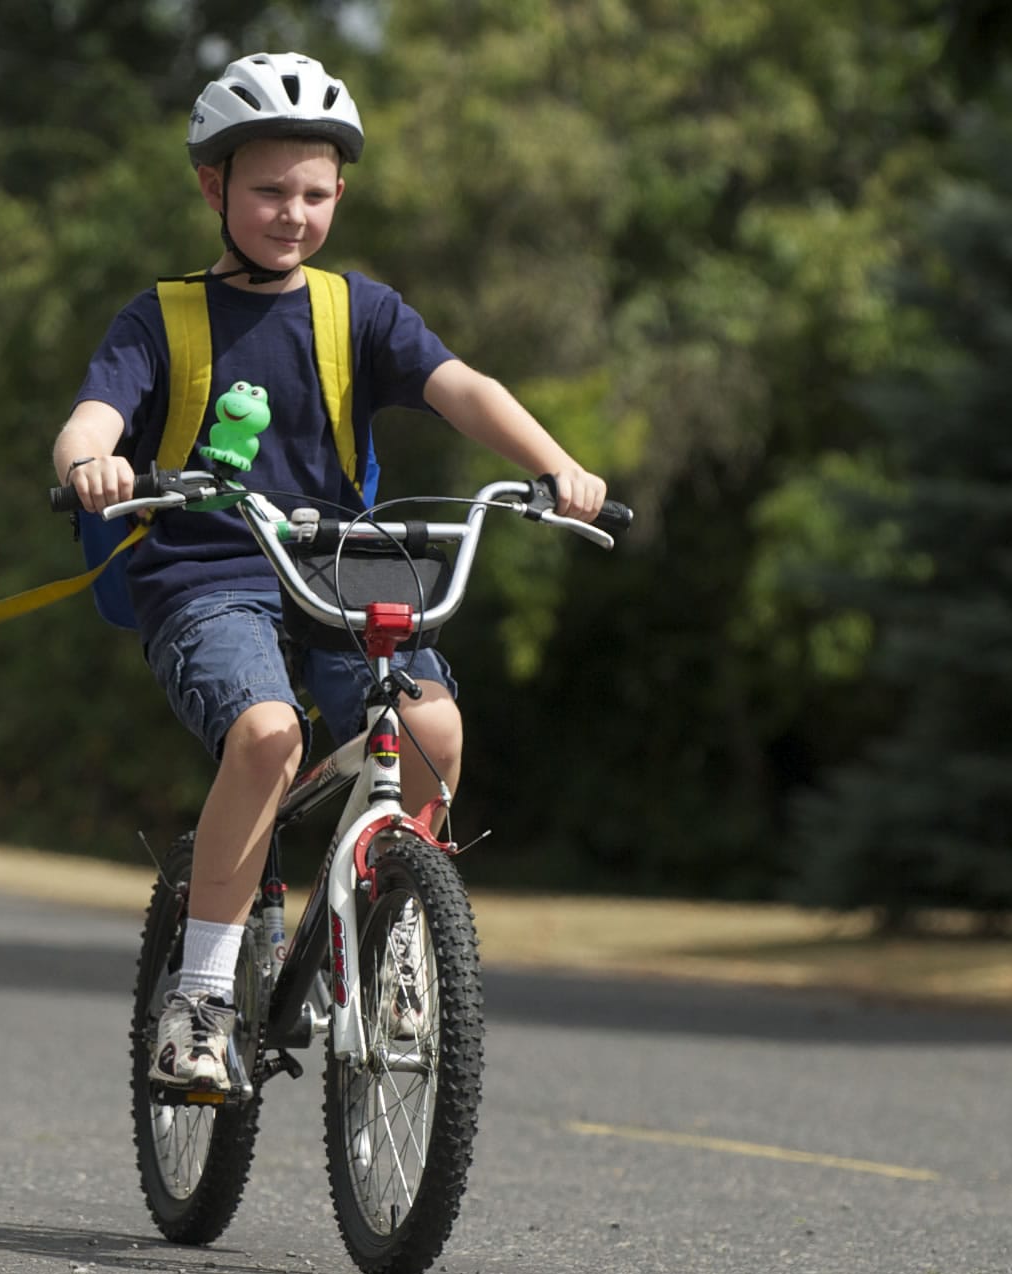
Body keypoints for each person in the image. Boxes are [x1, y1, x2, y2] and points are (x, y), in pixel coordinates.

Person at [53, 52, 611, 1090]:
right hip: (207, 569)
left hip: (338, 570)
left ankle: (397, 938)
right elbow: (94, 411)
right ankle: (204, 997)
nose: (291, 214)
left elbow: (461, 388)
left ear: (339, 194)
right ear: (213, 186)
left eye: (313, 194)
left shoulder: (356, 311)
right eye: (267, 190)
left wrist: (556, 466)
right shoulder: (161, 318)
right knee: (267, 734)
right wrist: (90, 459)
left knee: (432, 729)